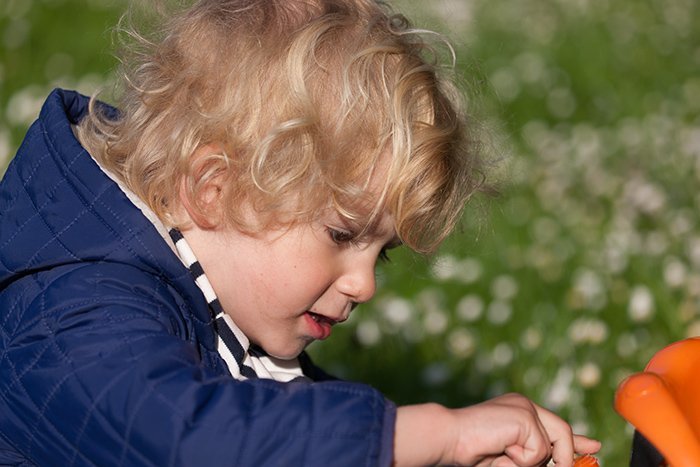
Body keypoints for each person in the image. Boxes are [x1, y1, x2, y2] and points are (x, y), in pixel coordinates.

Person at [0, 0, 601, 465]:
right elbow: (201, 445)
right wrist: (438, 433)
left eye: (381, 254)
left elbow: (291, 438)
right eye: (342, 235)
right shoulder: (73, 316)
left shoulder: (213, 302)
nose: (364, 285)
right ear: (215, 189)